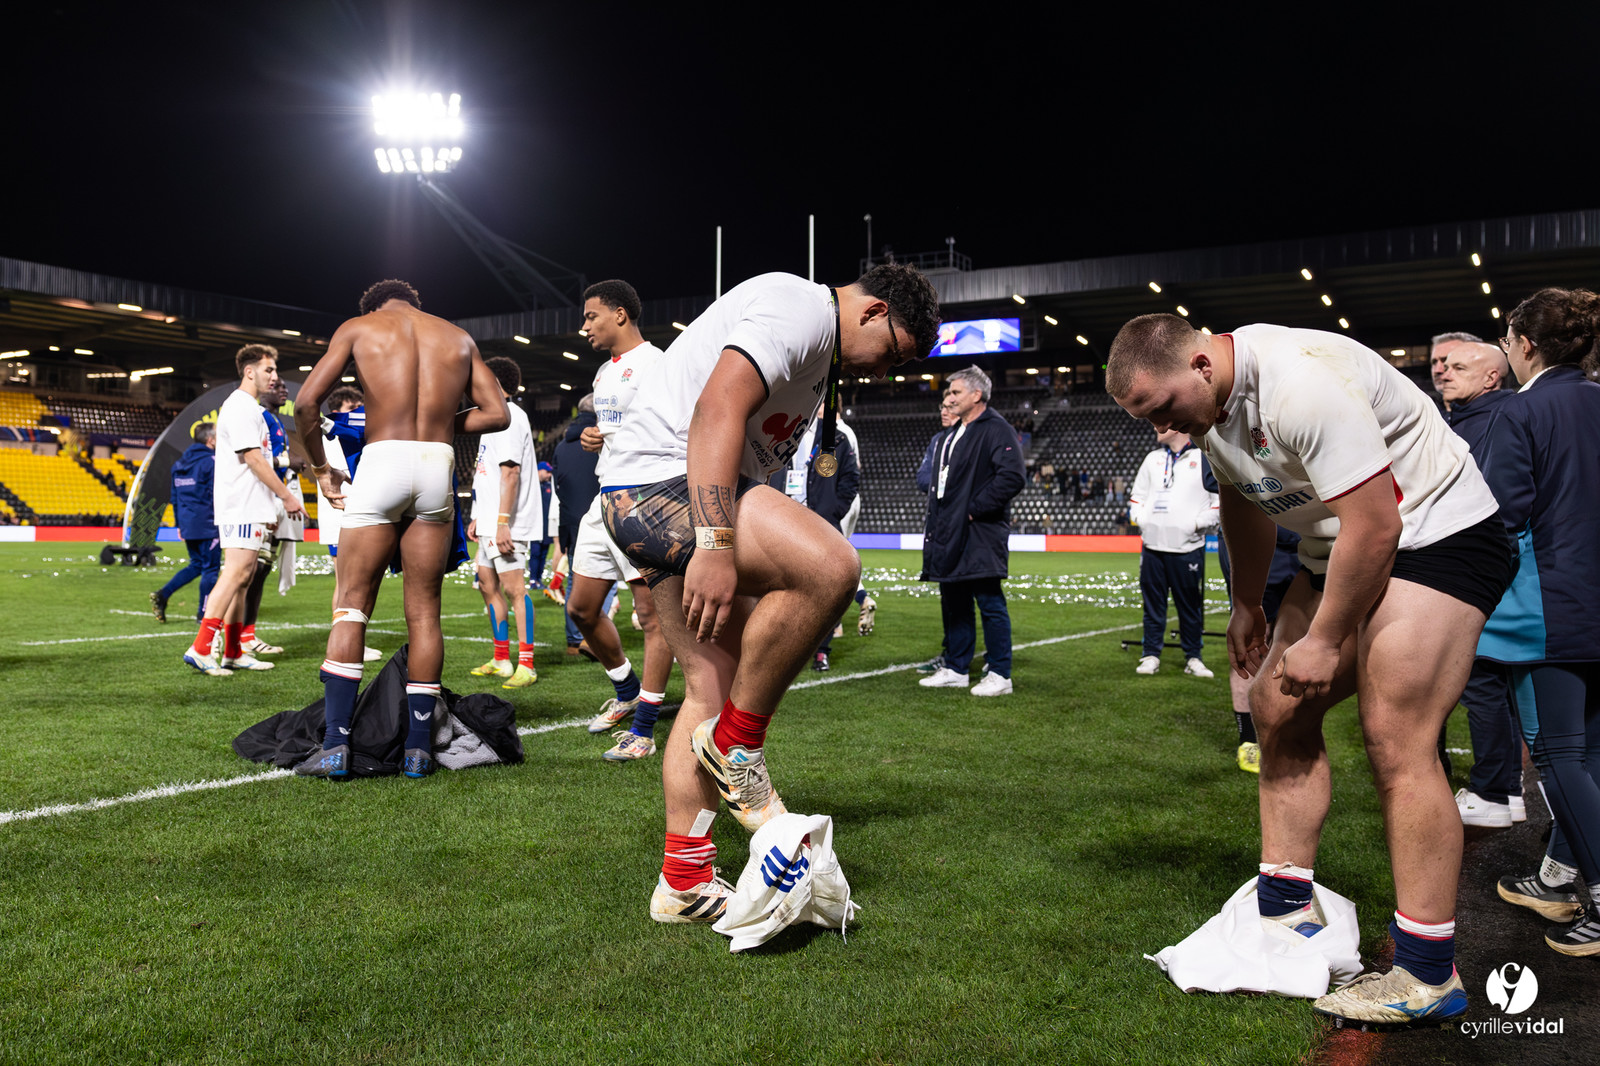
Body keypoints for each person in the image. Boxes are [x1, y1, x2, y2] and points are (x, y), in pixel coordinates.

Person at [1108, 312, 1510, 1027]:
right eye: (1144, 418)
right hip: (1343, 546)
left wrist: (1324, 638)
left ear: (1201, 365)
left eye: (1163, 408)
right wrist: (1244, 605)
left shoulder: (1297, 380)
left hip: (1435, 532)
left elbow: (1379, 525)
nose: (1161, 427)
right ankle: (1286, 912)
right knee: (1274, 706)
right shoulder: (1211, 415)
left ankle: (1428, 974)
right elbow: (1244, 500)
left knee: (1394, 732)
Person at [601, 263, 940, 922]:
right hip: (666, 484)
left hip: (649, 490)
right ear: (872, 312)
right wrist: (717, 542)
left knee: (708, 687)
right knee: (832, 569)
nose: (885, 370)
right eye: (893, 352)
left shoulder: (820, 352)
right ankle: (739, 746)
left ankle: (684, 883)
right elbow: (716, 409)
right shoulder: (802, 308)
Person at [294, 278, 508, 779]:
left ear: (372, 305)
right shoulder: (456, 336)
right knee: (425, 612)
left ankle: (335, 747)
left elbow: (305, 405)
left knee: (351, 602)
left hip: (381, 459)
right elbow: (496, 413)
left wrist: (322, 470)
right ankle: (417, 751)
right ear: (417, 305)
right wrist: (435, 424)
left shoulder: (359, 327)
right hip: (438, 464)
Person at [1477, 287, 1600, 956]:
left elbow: (1502, 517)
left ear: (1525, 346)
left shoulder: (1524, 412)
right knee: (1593, 754)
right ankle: (1556, 880)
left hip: (1558, 606)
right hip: (1592, 600)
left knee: (1557, 756)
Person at [564, 280, 674, 762]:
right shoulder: (604, 374)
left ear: (621, 315)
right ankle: (627, 691)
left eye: (592, 316)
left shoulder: (658, 363)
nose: (584, 325)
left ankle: (644, 731)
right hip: (604, 498)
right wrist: (596, 435)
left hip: (643, 500)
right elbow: (616, 429)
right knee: (581, 609)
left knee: (653, 618)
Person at [1436, 340, 1526, 828]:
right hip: (1490, 558)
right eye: (1444, 366)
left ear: (1492, 376)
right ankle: (1506, 789)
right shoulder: (1460, 417)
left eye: (1458, 367)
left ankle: (1494, 790)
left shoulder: (1504, 414)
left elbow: (1499, 493)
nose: (1445, 373)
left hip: (1481, 559)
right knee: (1491, 680)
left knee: (1482, 678)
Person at [182, 345, 306, 676]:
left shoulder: (249, 408)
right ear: (249, 371)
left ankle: (234, 651)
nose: (275, 377)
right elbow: (253, 458)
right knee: (236, 573)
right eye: (269, 370)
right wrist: (287, 497)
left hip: (251, 504)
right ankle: (201, 647)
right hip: (242, 504)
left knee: (244, 576)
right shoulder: (239, 407)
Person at [918, 366, 1025, 697]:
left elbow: (1012, 476)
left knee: (989, 602)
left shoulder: (995, 429)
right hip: (949, 530)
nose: (949, 398)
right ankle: (956, 667)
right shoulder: (954, 433)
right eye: (948, 393)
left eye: (955, 392)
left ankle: (1000, 673)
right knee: (954, 598)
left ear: (976, 395)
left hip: (980, 532)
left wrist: (972, 509)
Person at [1203, 454, 1301, 774]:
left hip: (1303, 540)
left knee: (1297, 641)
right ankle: (1249, 740)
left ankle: (1288, 730)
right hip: (1254, 541)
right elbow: (1212, 477)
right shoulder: (1223, 423)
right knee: (1250, 641)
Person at [466, 357, 543, 690]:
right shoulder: (493, 418)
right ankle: (501, 658)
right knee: (487, 584)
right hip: (489, 520)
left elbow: (510, 474)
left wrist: (501, 523)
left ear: (494, 382)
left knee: (514, 589)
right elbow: (486, 474)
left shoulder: (510, 418)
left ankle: (527, 664)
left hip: (507, 523)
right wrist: (476, 516)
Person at [769, 401, 860, 672]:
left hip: (821, 524)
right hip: (782, 523)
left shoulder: (836, 437)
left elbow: (850, 479)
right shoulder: (781, 431)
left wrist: (833, 511)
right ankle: (781, 649)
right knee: (779, 589)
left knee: (824, 590)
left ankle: (821, 650)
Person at [1128, 427, 1217, 678]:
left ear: (1178, 428)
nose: (1156, 428)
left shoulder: (1204, 458)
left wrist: (1196, 524)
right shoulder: (1152, 459)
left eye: (1162, 425)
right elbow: (1137, 497)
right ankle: (1150, 655)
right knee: (1152, 606)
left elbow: (1218, 502)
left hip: (1187, 548)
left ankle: (1194, 657)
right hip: (1152, 547)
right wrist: (1141, 519)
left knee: (1189, 607)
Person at [151, 421, 219, 623]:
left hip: (189, 523)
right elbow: (217, 494)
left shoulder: (179, 464)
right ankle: (204, 614)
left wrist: (180, 525)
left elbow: (175, 497)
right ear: (210, 439)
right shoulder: (212, 462)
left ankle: (163, 594)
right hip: (208, 523)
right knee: (210, 569)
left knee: (197, 564)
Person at [913, 394, 960, 673]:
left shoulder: (968, 437)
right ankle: (951, 653)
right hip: (941, 524)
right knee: (949, 595)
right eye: (941, 406)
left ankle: (965, 657)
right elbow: (921, 479)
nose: (943, 411)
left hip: (961, 525)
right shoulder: (937, 441)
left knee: (978, 598)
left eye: (950, 406)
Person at [1429, 331, 1482, 408]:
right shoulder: (1429, 411)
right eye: (1434, 362)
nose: (1437, 370)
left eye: (1446, 360)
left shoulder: (1499, 415)